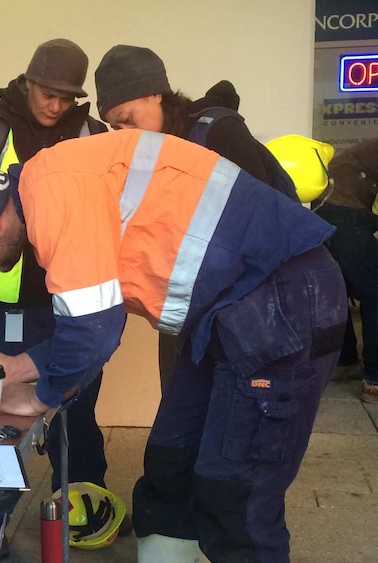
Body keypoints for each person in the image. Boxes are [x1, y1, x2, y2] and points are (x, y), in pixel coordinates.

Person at [0, 130, 347, 563]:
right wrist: (18, 366)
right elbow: (93, 321)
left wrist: (41, 396)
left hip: (281, 301)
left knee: (237, 494)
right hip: (228, 312)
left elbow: (93, 331)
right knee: (171, 463)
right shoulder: (47, 185)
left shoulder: (54, 195)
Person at [0, 39, 113, 506]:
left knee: (76, 407)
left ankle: (81, 504)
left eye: (66, 96)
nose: (55, 104)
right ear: (27, 81)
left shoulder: (93, 132)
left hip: (72, 297)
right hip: (0, 298)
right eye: (47, 91)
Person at [93, 44, 297, 387]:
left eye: (127, 120)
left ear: (156, 94)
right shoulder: (146, 155)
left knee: (226, 428)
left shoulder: (219, 134)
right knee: (176, 427)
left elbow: (262, 230)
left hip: (239, 314)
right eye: (115, 128)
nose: (124, 135)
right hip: (184, 315)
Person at [313, 137, 378, 403]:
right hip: (346, 213)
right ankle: (374, 379)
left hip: (326, 210)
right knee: (374, 295)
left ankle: (345, 358)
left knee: (338, 289)